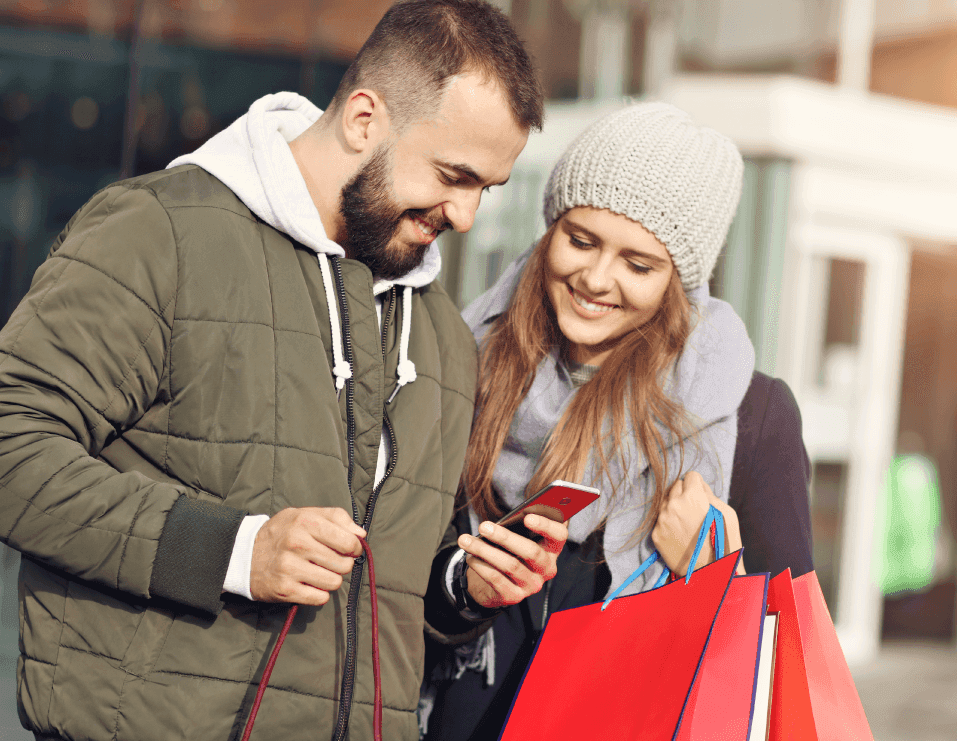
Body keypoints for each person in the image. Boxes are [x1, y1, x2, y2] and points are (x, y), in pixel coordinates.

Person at [0, 2, 569, 739]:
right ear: (364, 118)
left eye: (484, 189)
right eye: (452, 174)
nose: (463, 215)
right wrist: (236, 551)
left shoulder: (436, 333)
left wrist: (463, 586)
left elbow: (387, 586)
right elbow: (12, 446)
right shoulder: (159, 234)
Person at [419, 102, 813, 740]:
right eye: (581, 240)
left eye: (638, 264)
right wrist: (467, 588)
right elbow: (404, 584)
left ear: (678, 282)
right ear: (551, 229)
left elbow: (786, 658)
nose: (597, 279)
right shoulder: (467, 366)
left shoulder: (751, 413)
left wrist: (712, 571)